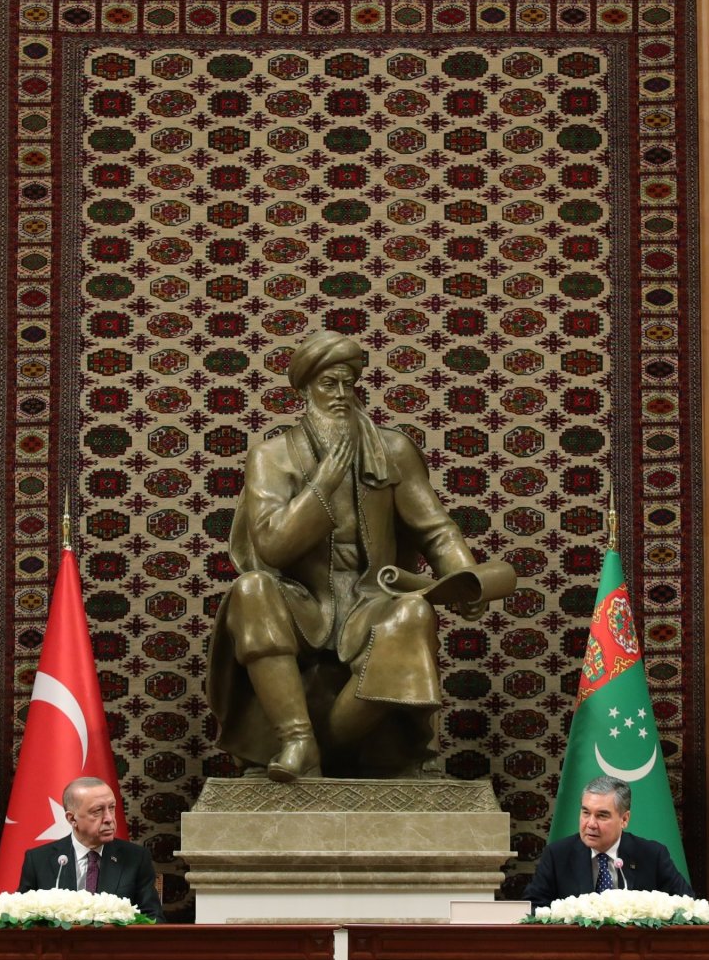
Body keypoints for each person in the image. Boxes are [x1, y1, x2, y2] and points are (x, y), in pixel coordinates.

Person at [207, 329, 497, 781]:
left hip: (369, 599)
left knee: (412, 617)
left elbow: (437, 531)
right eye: (328, 383)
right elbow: (272, 545)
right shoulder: (272, 455)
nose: (340, 394)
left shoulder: (393, 449)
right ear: (304, 389)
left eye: (348, 382)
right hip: (302, 602)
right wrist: (322, 485)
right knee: (251, 589)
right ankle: (298, 740)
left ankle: (343, 748)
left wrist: (465, 576)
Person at [524, 775, 692, 909]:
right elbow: (533, 907)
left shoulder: (652, 855)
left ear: (624, 819)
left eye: (602, 815)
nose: (590, 824)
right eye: (585, 813)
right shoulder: (557, 855)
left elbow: (687, 905)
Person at [17, 777, 163, 920]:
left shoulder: (136, 858)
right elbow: (22, 919)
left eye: (111, 808)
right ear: (72, 819)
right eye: (97, 811)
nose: (109, 818)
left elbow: (153, 919)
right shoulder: (38, 860)